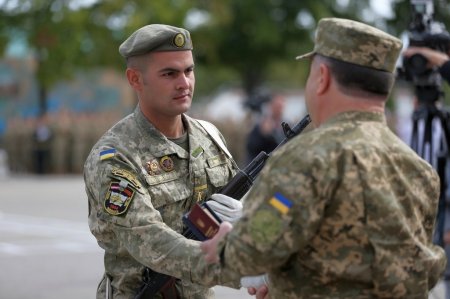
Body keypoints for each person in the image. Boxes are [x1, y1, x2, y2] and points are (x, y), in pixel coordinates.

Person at [201, 18, 447, 298]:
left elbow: (249, 252)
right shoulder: (421, 171)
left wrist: (225, 242)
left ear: (323, 77)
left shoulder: (303, 159)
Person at [83, 24, 244, 298]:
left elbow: (243, 205)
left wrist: (253, 223)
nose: (184, 83)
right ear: (135, 79)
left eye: (189, 70)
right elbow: (151, 242)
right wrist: (245, 265)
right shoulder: (115, 157)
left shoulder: (210, 137)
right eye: (169, 73)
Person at [245, 93, 286, 162]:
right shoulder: (260, 124)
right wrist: (263, 134)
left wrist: (271, 134)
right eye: (277, 106)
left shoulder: (286, 125)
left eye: (281, 107)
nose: (279, 110)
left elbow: (284, 145)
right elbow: (252, 147)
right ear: (271, 106)